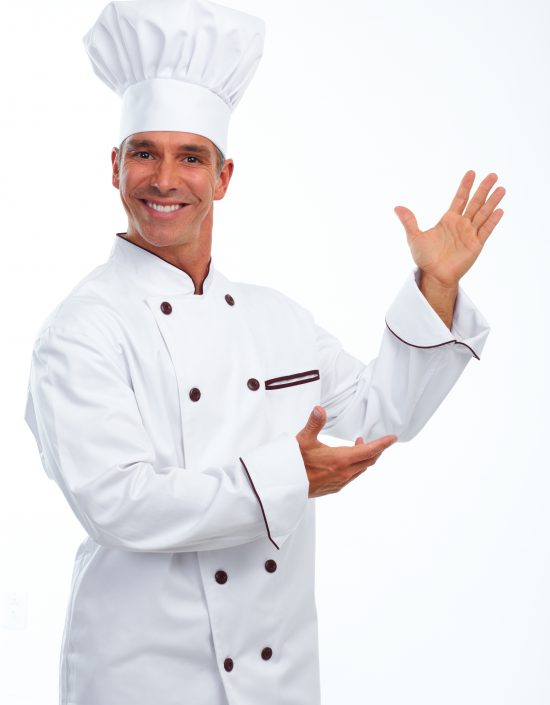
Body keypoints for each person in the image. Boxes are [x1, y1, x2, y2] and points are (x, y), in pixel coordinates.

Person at [23, 1, 505, 704]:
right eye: (145, 153)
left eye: (191, 157)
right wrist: (285, 476)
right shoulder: (80, 330)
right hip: (139, 677)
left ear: (222, 177)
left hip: (279, 678)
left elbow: (382, 408)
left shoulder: (276, 317)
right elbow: (118, 502)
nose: (165, 179)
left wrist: (436, 284)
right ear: (115, 166)